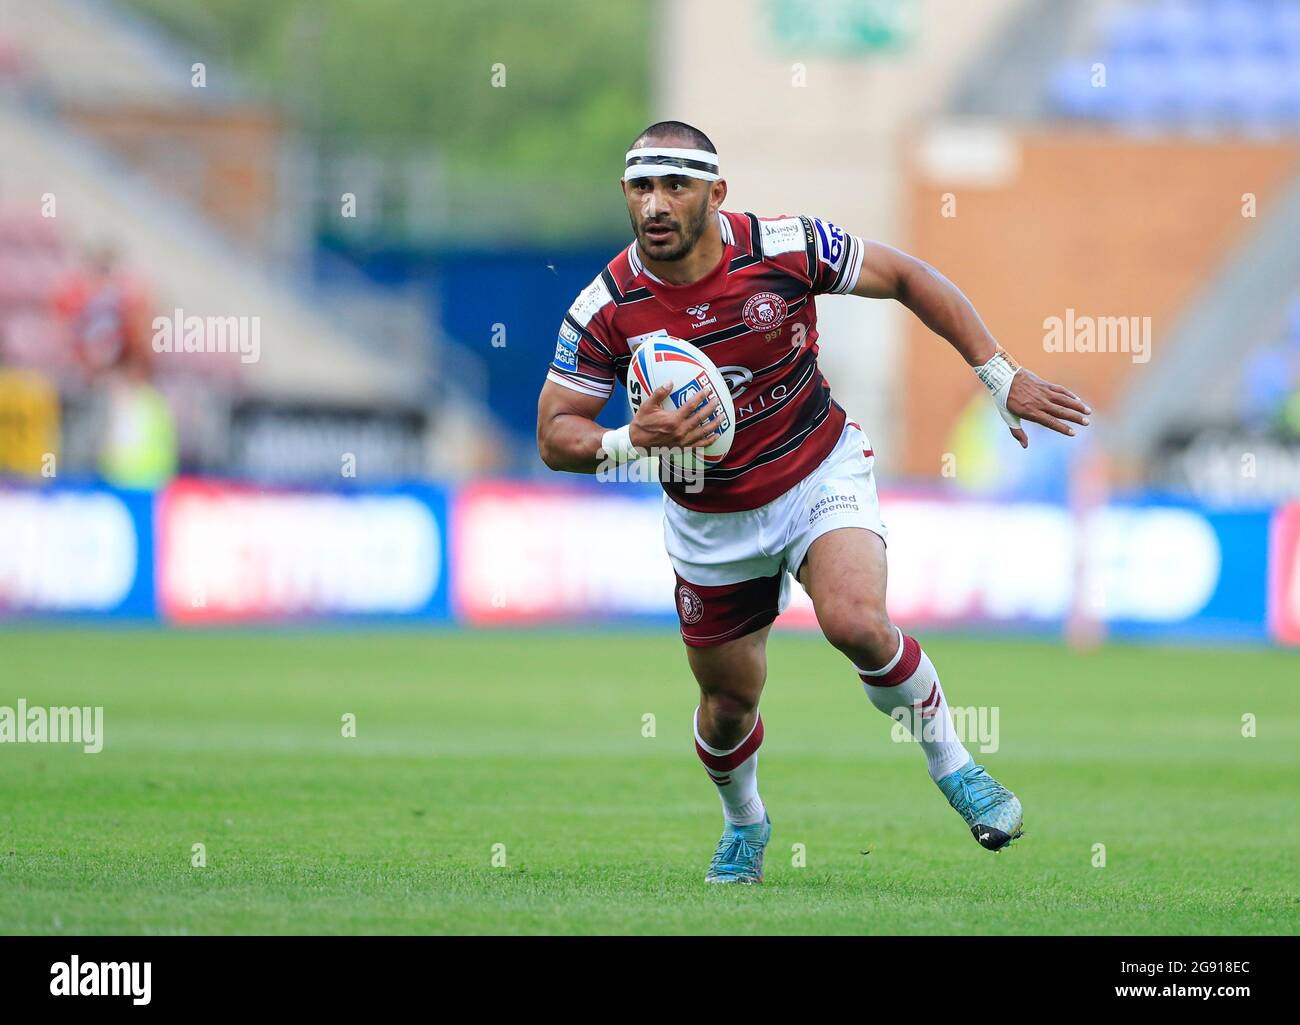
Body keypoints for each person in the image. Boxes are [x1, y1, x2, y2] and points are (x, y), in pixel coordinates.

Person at [536, 121, 1091, 884]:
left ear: (716, 193)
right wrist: (634, 437)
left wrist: (998, 373)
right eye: (641, 187)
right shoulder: (609, 304)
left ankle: (956, 766)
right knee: (728, 704)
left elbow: (905, 276)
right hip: (709, 518)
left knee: (856, 621)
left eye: (675, 186)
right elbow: (554, 433)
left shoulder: (784, 248)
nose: (655, 205)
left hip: (815, 471)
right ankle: (744, 823)